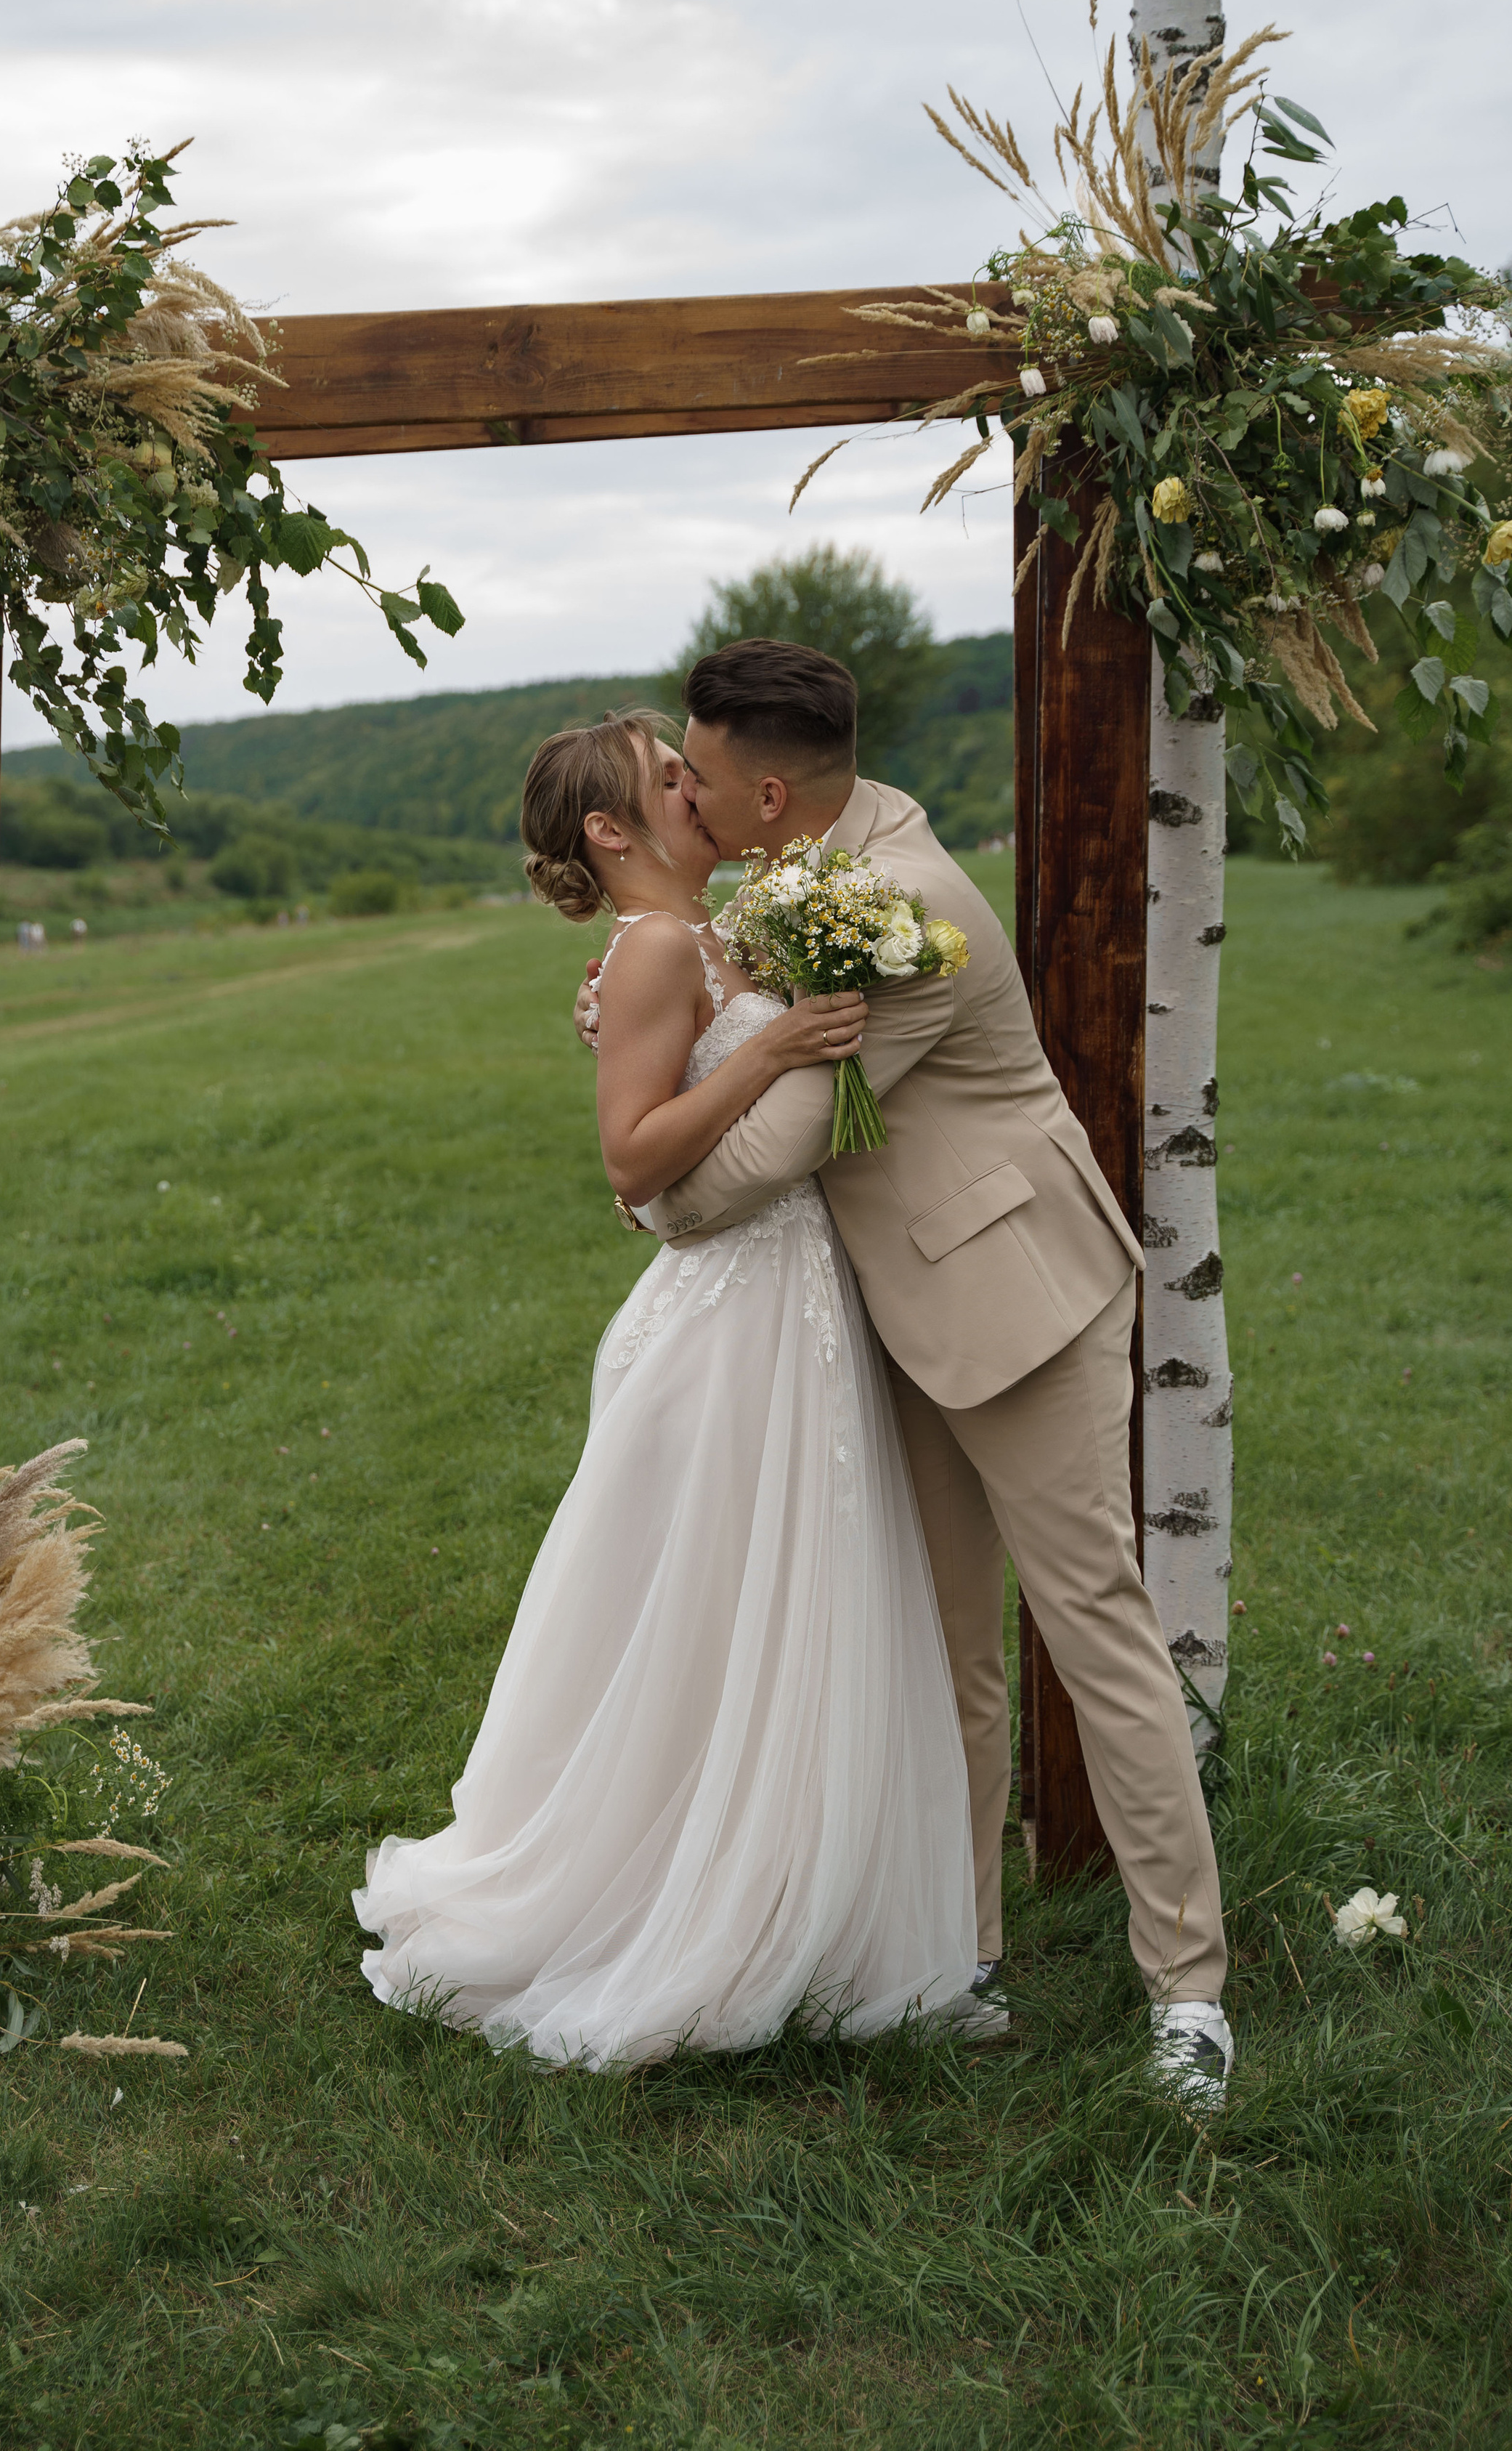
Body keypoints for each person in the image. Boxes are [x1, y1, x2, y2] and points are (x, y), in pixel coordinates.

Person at [572, 640, 1232, 2110]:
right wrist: (646, 1029)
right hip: (884, 1307)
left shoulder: (905, 910)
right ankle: (962, 1965)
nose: (677, 787)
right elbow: (723, 1005)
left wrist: (647, 1183)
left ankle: (1186, 1989)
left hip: (1016, 1300)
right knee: (944, 1649)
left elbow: (774, 1149)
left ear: (763, 788)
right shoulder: (790, 876)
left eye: (692, 768)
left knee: (1092, 1631)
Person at [354, 710, 980, 2067]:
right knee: (710, 1605)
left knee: (778, 1601)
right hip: (726, 1315)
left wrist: (764, 998)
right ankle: (672, 1906)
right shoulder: (647, 953)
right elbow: (633, 1165)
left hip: (796, 1295)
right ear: (611, 829)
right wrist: (768, 1048)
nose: (698, 793)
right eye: (669, 780)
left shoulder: (711, 935)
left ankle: (788, 1892)